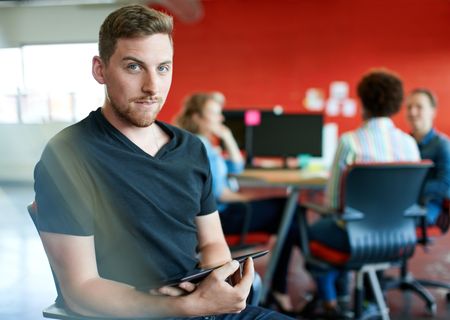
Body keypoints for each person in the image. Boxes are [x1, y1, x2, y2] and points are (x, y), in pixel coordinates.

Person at [33, 5, 293, 320]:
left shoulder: (191, 148)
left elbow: (212, 242)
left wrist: (217, 283)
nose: (153, 87)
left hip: (205, 309)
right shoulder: (68, 154)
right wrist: (184, 306)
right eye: (133, 66)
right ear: (100, 70)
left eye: (163, 68)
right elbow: (80, 290)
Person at [175, 92, 302, 314]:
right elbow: (217, 195)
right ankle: (300, 277)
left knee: (290, 218)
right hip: (221, 217)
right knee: (289, 210)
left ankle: (285, 285)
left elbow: (236, 168)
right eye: (214, 114)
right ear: (196, 117)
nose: (220, 119)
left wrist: (227, 137)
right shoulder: (199, 146)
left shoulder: (206, 144)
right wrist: (250, 198)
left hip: (228, 212)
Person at [307, 69, 421, 314]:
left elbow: (333, 203)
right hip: (400, 238)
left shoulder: (350, 142)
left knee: (306, 230)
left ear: (363, 102)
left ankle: (330, 300)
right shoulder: (409, 144)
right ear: (396, 104)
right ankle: (348, 296)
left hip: (355, 239)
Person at [405, 88, 450, 225]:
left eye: (419, 107)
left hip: (428, 208)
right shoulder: (403, 143)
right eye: (409, 107)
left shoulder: (443, 145)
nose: (412, 112)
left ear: (432, 111)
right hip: (401, 205)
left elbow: (446, 186)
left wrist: (408, 188)